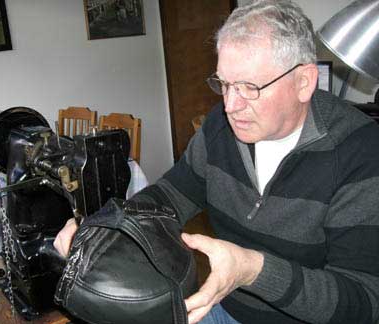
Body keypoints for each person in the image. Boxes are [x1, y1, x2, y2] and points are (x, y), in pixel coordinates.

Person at [55, 1, 379, 323]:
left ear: (304, 82)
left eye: (250, 87)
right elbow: (169, 196)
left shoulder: (360, 152)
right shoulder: (220, 128)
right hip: (223, 307)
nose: (230, 106)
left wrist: (253, 270)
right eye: (224, 84)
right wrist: (105, 228)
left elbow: (363, 302)